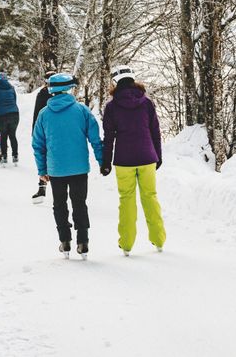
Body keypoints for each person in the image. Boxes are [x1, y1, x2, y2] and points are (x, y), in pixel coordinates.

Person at [32, 73, 103, 259]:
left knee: (59, 204)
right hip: (79, 168)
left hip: (56, 170)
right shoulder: (82, 110)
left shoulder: (44, 114)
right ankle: (83, 241)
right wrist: (102, 160)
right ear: (70, 88)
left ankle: (65, 241)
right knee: (79, 203)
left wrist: (42, 170)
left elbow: (38, 144)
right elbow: (95, 138)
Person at [100, 65, 166, 256]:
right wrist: (158, 155)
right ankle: (159, 239)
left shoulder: (111, 107)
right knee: (150, 197)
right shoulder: (146, 103)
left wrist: (105, 162)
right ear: (133, 79)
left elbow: (109, 137)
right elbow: (155, 131)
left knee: (127, 200)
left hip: (124, 160)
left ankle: (127, 244)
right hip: (147, 158)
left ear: (115, 82)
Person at [31, 71, 56, 203]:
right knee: (46, 158)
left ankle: (43, 188)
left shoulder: (44, 93)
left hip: (48, 131)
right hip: (47, 132)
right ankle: (42, 188)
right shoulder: (43, 94)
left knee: (46, 159)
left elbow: (36, 115)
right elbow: (37, 115)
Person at [0, 72, 20, 166]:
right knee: (13, 135)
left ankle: (4, 157)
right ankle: (15, 156)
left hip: (2, 116)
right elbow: (14, 100)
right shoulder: (12, 88)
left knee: (3, 136)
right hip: (14, 114)